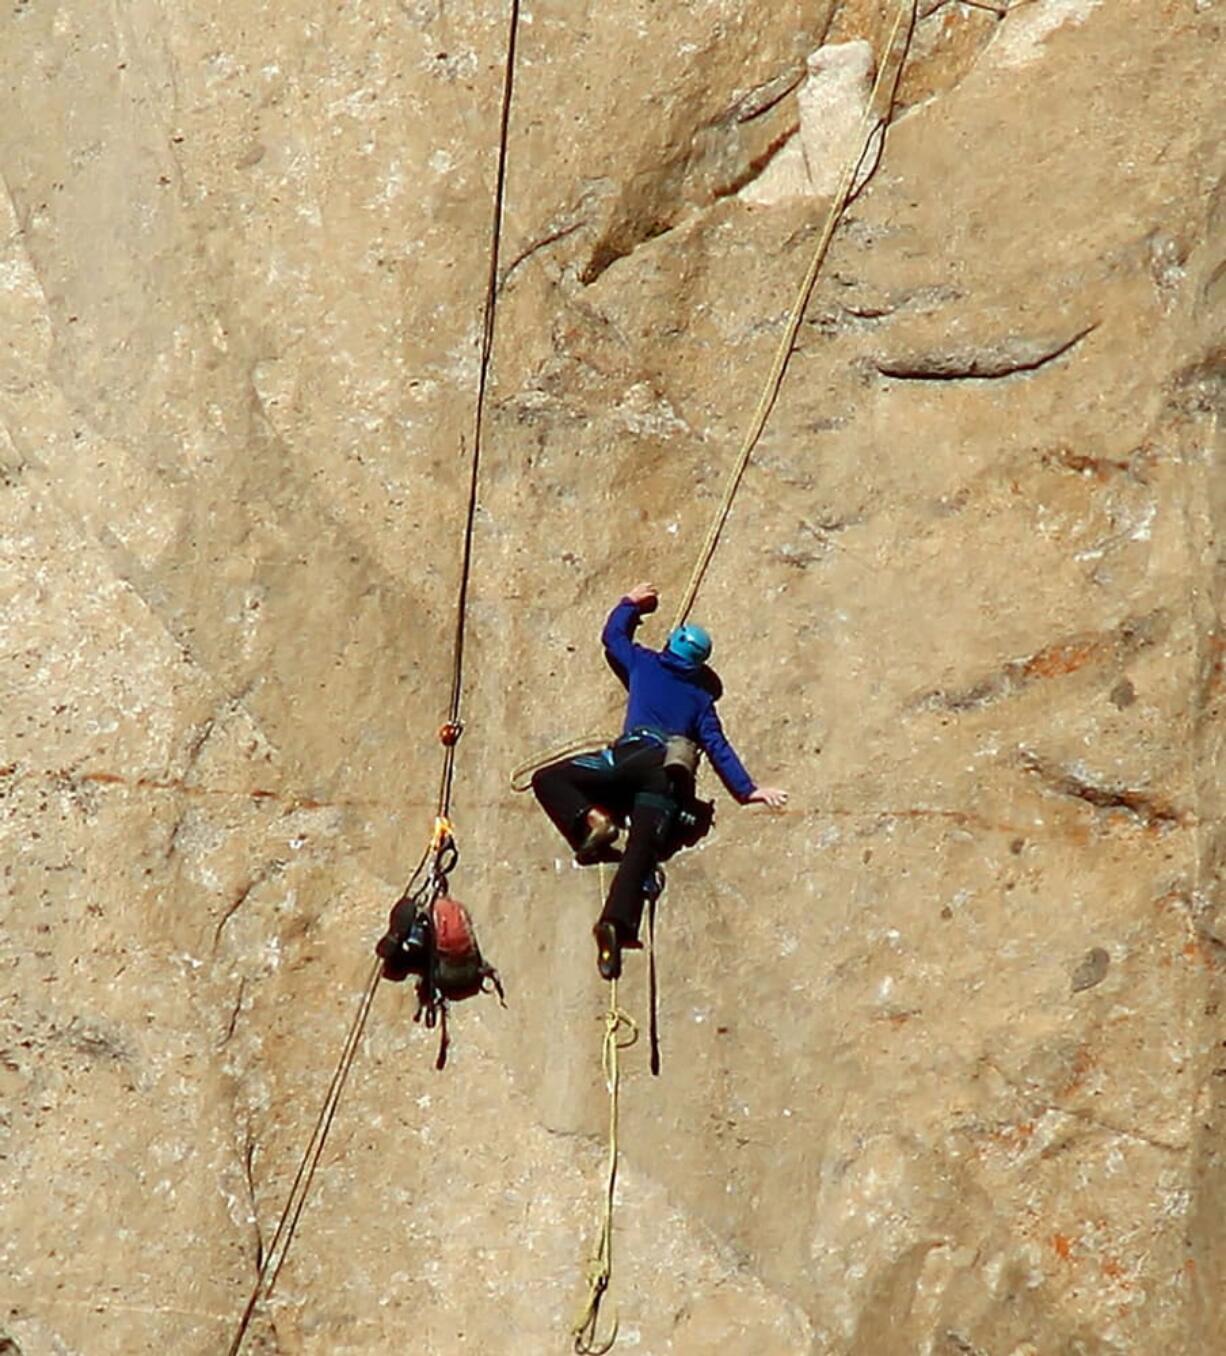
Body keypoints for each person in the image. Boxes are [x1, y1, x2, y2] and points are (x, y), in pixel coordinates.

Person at [531, 583, 788, 980]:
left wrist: (630, 603)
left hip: (627, 756)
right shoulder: (700, 699)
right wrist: (748, 790)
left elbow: (612, 637)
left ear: (671, 646)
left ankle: (590, 820)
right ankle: (614, 925)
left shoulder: (645, 663)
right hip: (664, 771)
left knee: (548, 779)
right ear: (700, 664)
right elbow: (717, 746)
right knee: (641, 852)